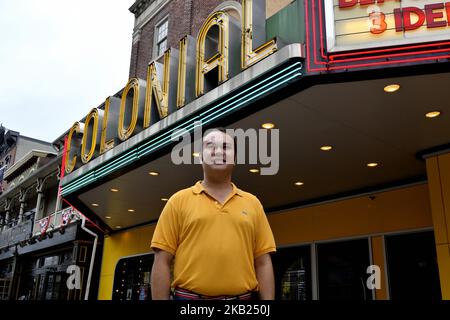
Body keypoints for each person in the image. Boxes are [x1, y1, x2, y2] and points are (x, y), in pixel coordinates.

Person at [150, 127, 276, 300]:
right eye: (210, 146)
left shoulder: (253, 203)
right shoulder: (177, 201)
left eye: (225, 147)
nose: (218, 151)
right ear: (201, 156)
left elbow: (263, 262)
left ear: (235, 158)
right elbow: (161, 261)